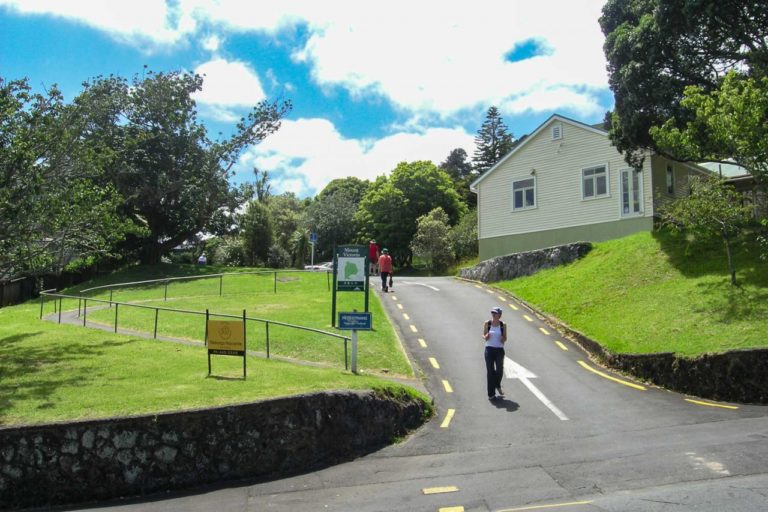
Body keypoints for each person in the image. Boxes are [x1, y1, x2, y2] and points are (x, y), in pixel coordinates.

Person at [483, 306, 507, 400]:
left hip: (499, 350)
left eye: (495, 313)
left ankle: (497, 384)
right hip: (489, 349)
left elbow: (505, 338)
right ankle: (491, 394)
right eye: (492, 312)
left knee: (499, 370)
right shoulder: (487, 323)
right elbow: (484, 334)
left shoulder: (503, 324)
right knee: (490, 371)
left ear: (499, 315)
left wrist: (503, 339)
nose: (493, 314)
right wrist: (486, 336)